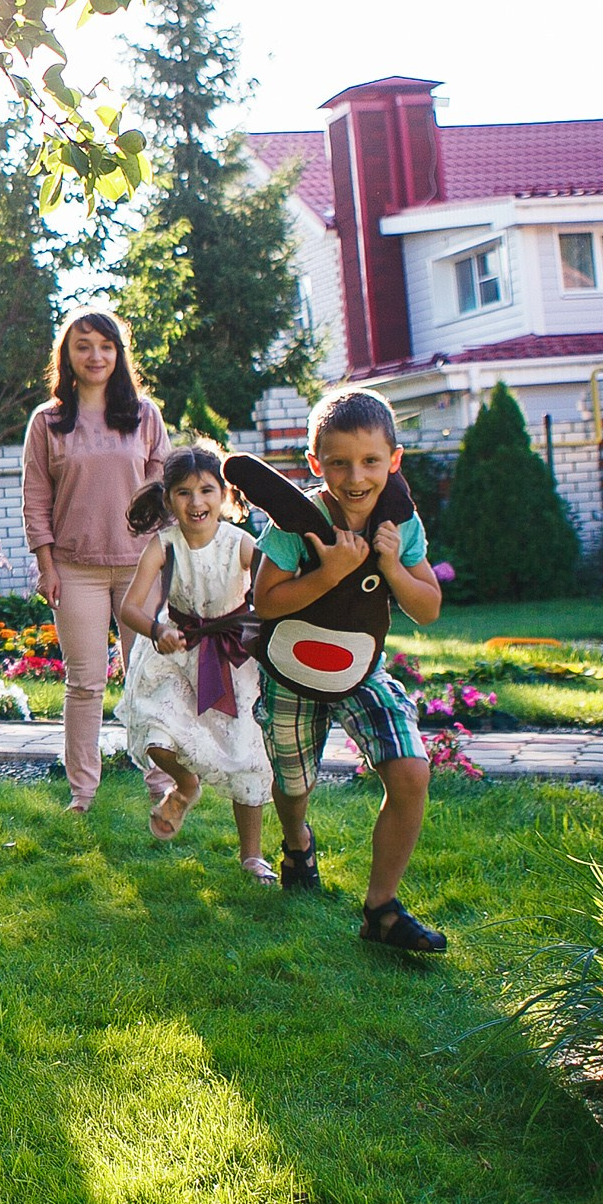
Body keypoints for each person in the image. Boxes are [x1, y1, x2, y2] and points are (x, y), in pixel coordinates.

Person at [248, 388, 449, 953]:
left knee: (410, 772)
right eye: (338, 463)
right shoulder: (297, 523)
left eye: (370, 461)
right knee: (294, 784)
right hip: (291, 673)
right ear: (316, 464)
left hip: (361, 672)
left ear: (394, 460)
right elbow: (265, 603)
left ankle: (382, 909)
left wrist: (392, 565)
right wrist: (331, 570)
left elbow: (428, 609)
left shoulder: (400, 524)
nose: (355, 477)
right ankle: (297, 842)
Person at [20, 310, 175, 814]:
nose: (95, 356)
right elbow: (35, 497)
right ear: (67, 355)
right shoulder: (47, 422)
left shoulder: (145, 416)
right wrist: (46, 565)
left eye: (106, 346)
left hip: (140, 569)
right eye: (83, 346)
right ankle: (82, 793)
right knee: (85, 684)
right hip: (74, 570)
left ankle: (161, 784)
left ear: (119, 354)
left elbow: (166, 492)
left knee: (147, 677)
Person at [114, 446, 278, 881]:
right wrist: (157, 630)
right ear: (169, 499)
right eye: (184, 493)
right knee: (156, 732)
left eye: (207, 490)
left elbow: (274, 590)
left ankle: (252, 854)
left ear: (224, 495)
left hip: (231, 655)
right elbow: (130, 607)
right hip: (176, 651)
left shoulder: (240, 544)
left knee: (246, 752)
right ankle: (186, 785)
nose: (196, 502)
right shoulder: (164, 545)